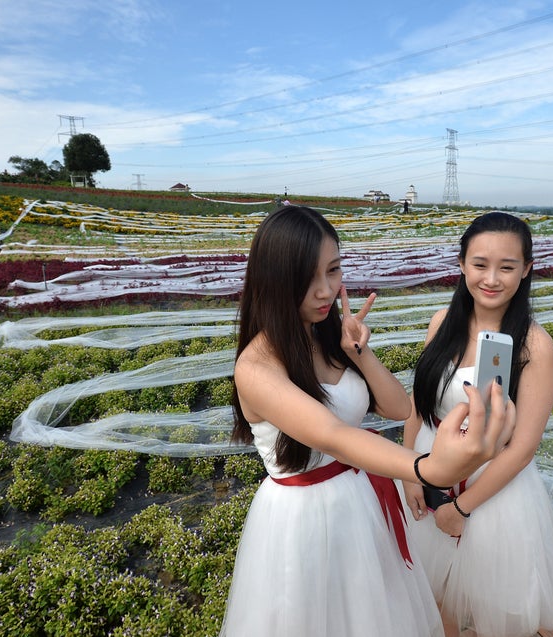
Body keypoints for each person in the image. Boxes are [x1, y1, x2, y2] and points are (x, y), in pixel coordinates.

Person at [220, 205, 514, 637]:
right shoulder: (257, 366)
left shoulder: (326, 335)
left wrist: (360, 351)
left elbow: (398, 408)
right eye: (309, 277)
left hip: (358, 499)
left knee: (372, 615)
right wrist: (427, 467)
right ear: (275, 279)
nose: (325, 290)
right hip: (306, 516)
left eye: (334, 270)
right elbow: (334, 436)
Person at [400, 212, 553, 637]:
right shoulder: (442, 323)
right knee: (437, 596)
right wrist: (410, 472)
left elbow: (523, 446)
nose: (491, 278)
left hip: (492, 491)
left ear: (526, 269)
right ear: (461, 264)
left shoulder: (534, 345)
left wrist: (462, 507)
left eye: (507, 267)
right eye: (480, 264)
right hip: (431, 470)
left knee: (497, 605)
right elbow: (418, 407)